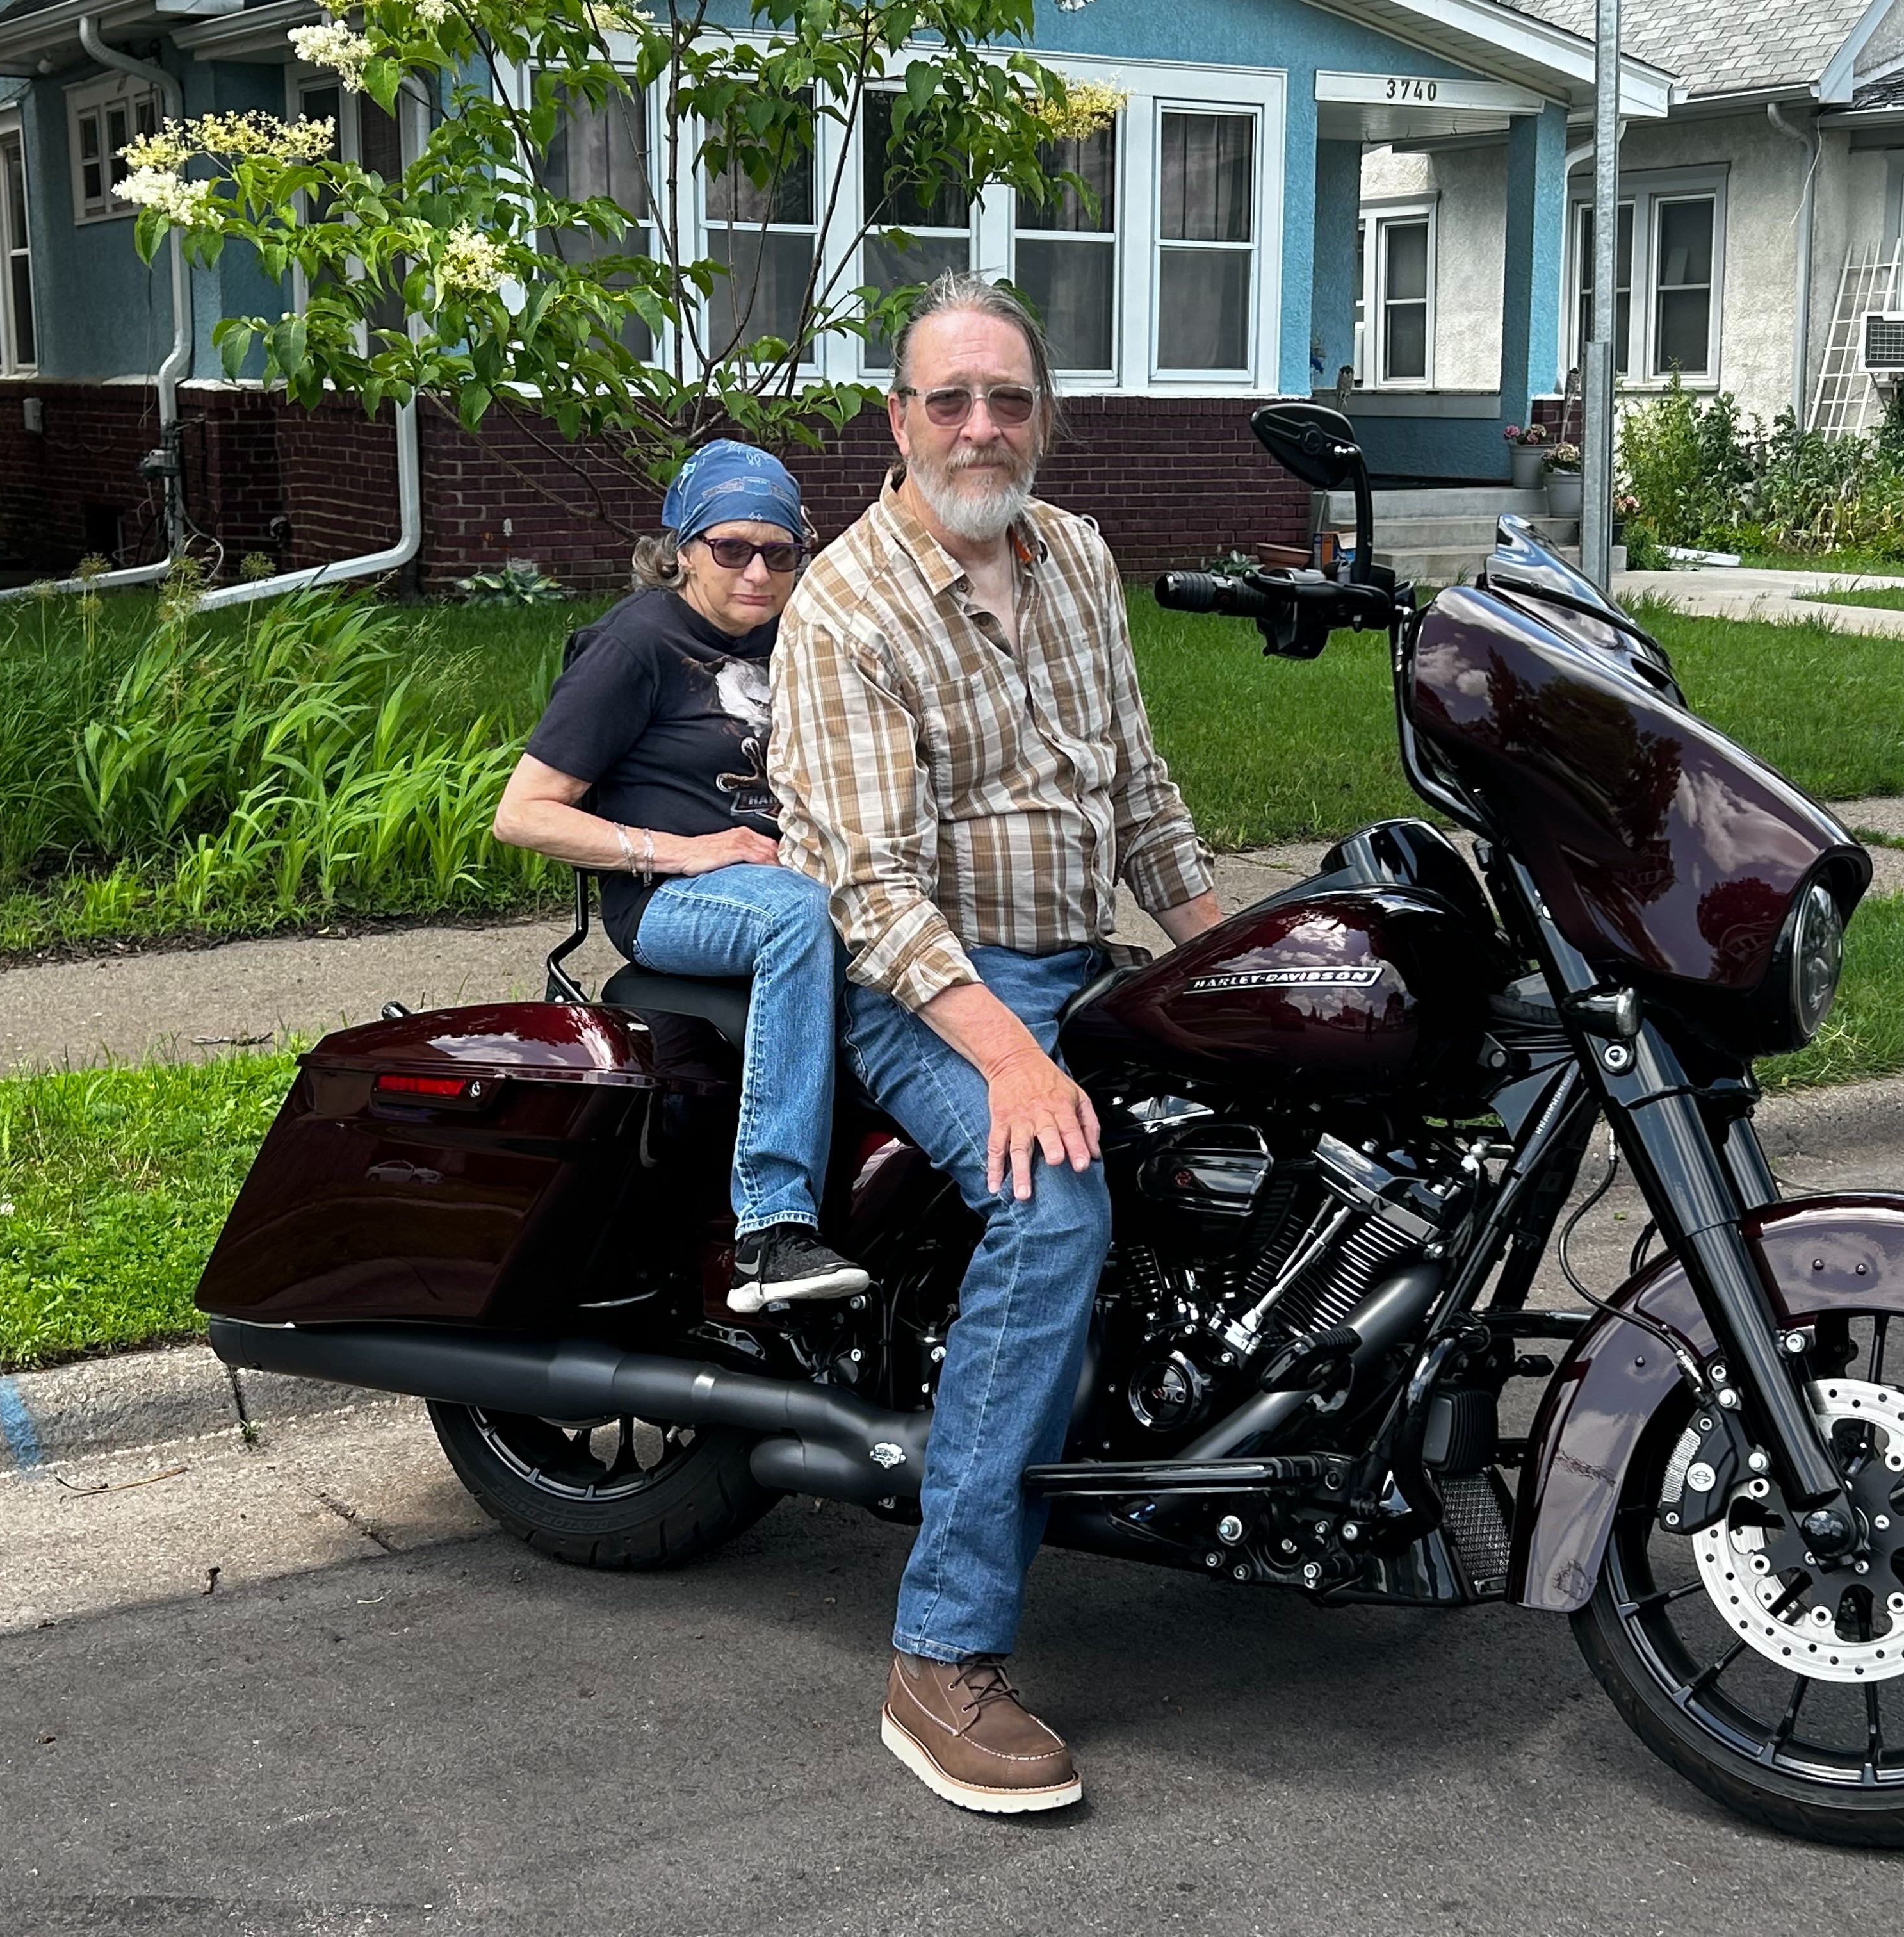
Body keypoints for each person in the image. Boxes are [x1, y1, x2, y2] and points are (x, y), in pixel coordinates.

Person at [771, 271, 1224, 1814]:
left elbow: (1140, 791)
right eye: (950, 399)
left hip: (1077, 962)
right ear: (898, 420)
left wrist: (1228, 957)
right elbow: (870, 895)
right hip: (923, 989)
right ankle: (941, 1651)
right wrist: (1012, 1062)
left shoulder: (1076, 556)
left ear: (1045, 418)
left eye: (1009, 399)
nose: (982, 426)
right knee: (1054, 1210)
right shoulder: (845, 607)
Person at [492, 440, 869, 1316]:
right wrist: (687, 850)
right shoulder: (637, 645)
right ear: (683, 550)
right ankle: (771, 1231)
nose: (757, 573)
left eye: (779, 553)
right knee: (796, 916)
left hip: (790, 882)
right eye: (731, 549)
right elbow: (525, 814)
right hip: (671, 901)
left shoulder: (800, 635)